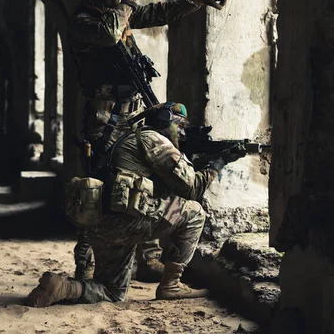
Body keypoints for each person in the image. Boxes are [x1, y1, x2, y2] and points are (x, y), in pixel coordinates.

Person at [68, 0, 232, 282]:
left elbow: (158, 13)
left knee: (147, 177)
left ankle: (149, 258)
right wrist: (128, 0)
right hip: (104, 118)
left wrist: (199, 1)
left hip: (133, 111)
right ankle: (84, 263)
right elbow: (109, 33)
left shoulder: (119, 13)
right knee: (99, 183)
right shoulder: (84, 21)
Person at [26, 102, 245, 307]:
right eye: (181, 126)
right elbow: (193, 188)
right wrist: (219, 162)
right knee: (195, 212)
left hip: (100, 224)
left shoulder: (129, 138)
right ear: (165, 121)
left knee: (113, 292)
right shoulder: (155, 141)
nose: (184, 133)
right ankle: (171, 285)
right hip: (126, 223)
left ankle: (63, 288)